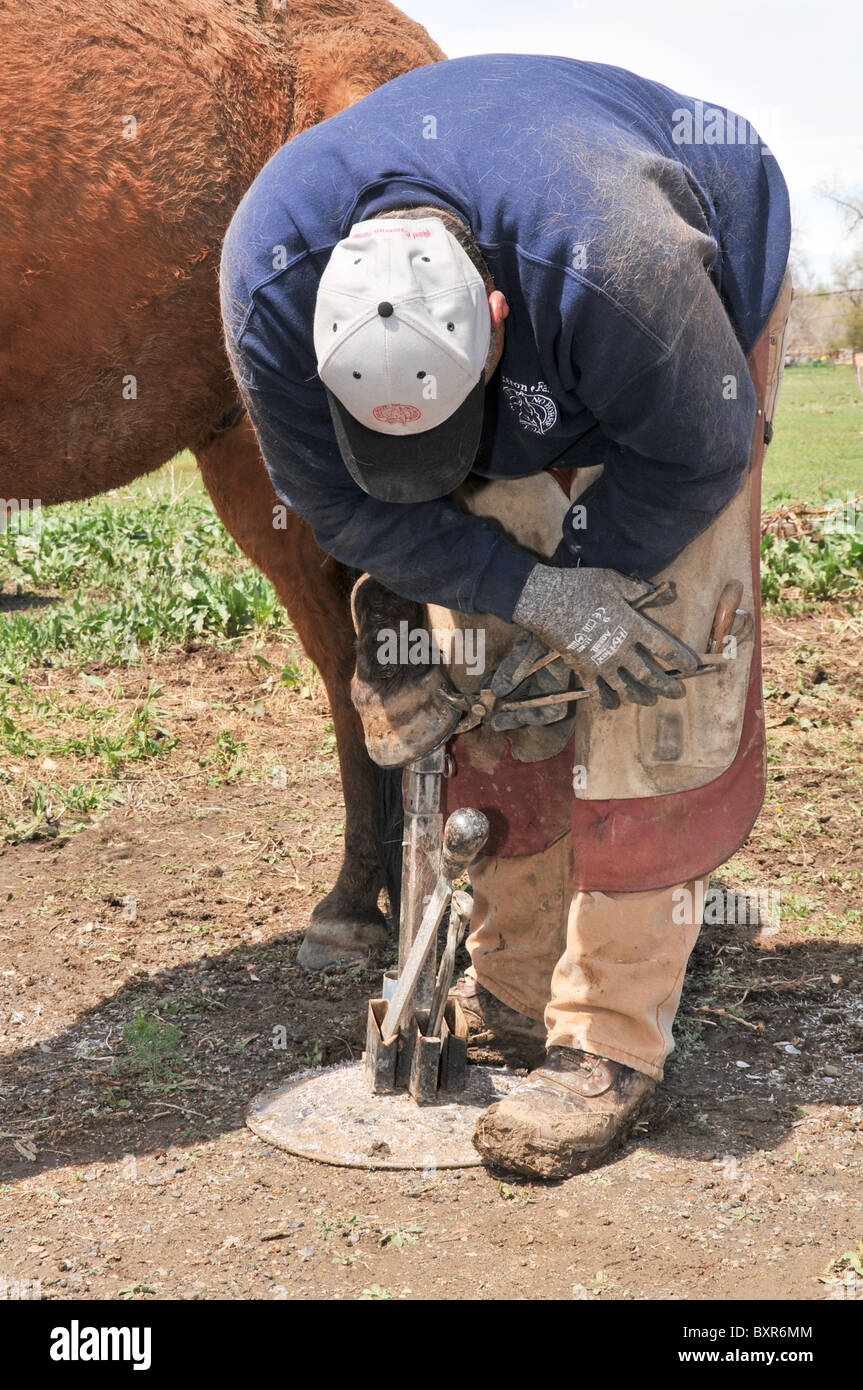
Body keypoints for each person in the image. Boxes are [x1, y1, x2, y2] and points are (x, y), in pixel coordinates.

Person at [220, 53, 791, 1177]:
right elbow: (337, 502)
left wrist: (592, 581)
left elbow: (696, 454)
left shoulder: (614, 256)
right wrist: (527, 594)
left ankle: (610, 1044)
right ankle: (519, 986)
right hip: (537, 338)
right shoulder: (268, 286)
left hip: (680, 344)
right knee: (491, 668)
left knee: (658, 670)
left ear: (488, 317)